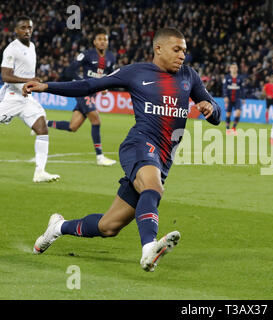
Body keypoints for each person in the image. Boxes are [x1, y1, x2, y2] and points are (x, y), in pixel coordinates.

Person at [24, 27, 221, 272]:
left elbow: (216, 115)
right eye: (177, 49)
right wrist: (46, 86)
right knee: (153, 186)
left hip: (162, 157)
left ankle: (58, 228)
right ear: (158, 48)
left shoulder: (189, 76)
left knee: (108, 227)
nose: (183, 55)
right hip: (139, 144)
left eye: (184, 51)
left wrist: (210, 107)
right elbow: (89, 85)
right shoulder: (136, 72)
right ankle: (149, 248)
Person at [0, 16, 59, 183]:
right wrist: (28, 81)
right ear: (15, 30)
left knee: (42, 128)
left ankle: (40, 172)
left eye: (29, 27)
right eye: (23, 27)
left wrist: (29, 82)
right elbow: (5, 76)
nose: (27, 30)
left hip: (26, 99)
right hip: (10, 98)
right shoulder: (11, 49)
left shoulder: (32, 46)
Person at [45, 28, 116, 166]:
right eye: (100, 39)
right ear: (94, 42)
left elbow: (111, 75)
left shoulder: (111, 58)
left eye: (105, 39)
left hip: (92, 94)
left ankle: (44, 123)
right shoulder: (87, 55)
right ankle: (100, 157)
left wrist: (106, 85)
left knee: (73, 126)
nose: (103, 42)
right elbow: (70, 69)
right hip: (83, 91)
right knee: (96, 120)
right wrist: (81, 82)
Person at [222, 62, 245, 135]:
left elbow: (242, 89)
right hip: (229, 98)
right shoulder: (227, 77)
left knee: (238, 112)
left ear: (237, 69)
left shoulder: (240, 78)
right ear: (230, 69)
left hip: (237, 98)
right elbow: (224, 88)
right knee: (228, 114)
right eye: (232, 67)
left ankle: (234, 128)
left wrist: (243, 98)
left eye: (235, 67)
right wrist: (225, 96)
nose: (234, 69)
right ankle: (228, 129)